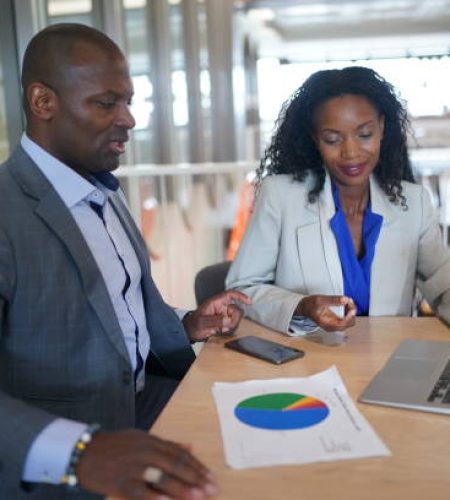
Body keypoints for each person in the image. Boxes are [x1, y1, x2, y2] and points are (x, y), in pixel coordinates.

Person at [0, 23, 251, 500]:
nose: (130, 119)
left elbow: (123, 314)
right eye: (106, 102)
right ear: (43, 102)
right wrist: (80, 451)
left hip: (144, 404)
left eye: (129, 101)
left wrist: (189, 323)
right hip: (65, 459)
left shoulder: (103, 191)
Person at [226, 66, 450, 336]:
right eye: (332, 139)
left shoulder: (414, 203)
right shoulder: (280, 195)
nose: (351, 152)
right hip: (308, 361)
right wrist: (300, 306)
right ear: (314, 139)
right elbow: (242, 289)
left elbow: (443, 285)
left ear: (382, 127)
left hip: (390, 359)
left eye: (364, 134)